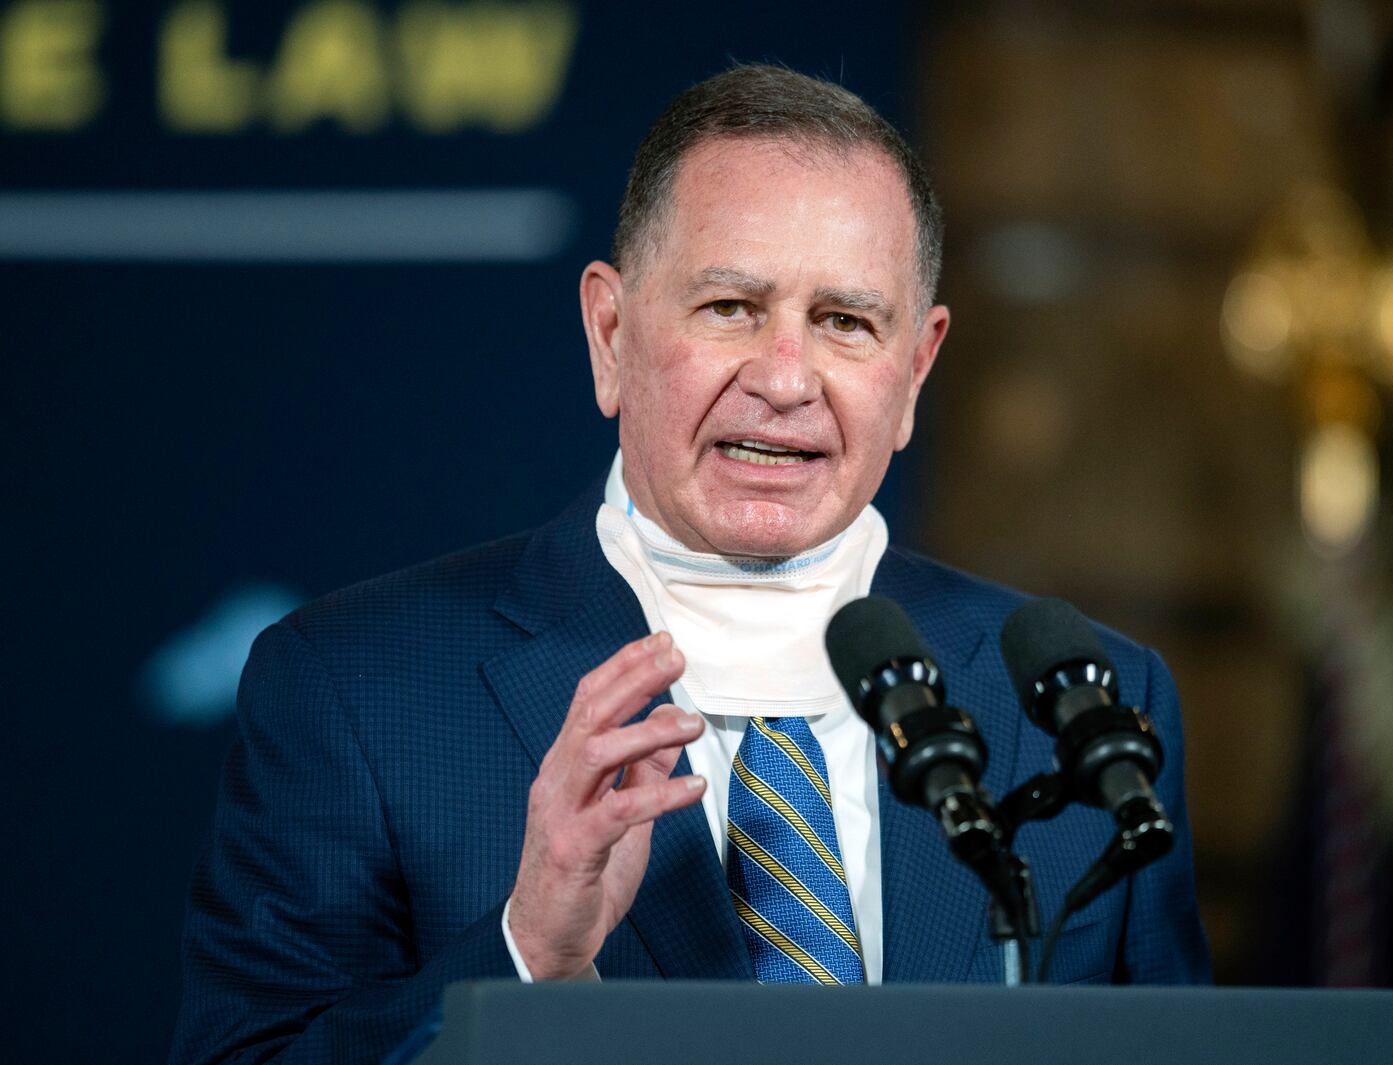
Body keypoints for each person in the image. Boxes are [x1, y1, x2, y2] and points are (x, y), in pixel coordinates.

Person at [170, 64, 1210, 1064]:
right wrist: (528, 952)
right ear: (610, 333)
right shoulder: (358, 686)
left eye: (845, 322)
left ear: (915, 370)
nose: (786, 378)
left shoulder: (1077, 715)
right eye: (730, 308)